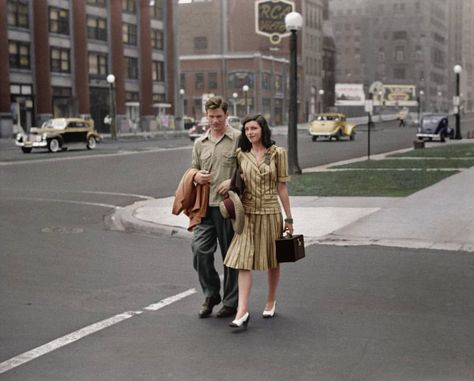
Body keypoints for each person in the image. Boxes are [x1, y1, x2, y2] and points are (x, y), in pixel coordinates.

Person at [223, 114, 294, 329]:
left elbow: (282, 187)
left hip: (271, 213)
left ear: (263, 129)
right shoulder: (240, 155)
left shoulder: (277, 154)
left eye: (254, 128)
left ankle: (271, 300)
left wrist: (289, 218)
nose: (250, 133)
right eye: (246, 130)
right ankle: (242, 310)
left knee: (273, 260)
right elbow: (238, 180)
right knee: (243, 260)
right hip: (248, 214)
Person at [191, 96, 240, 318]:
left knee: (230, 256)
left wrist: (232, 181)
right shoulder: (200, 143)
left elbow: (248, 170)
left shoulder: (238, 139)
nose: (215, 121)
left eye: (219, 117)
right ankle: (211, 294)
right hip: (205, 207)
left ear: (226, 115)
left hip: (228, 207)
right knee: (200, 250)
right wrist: (196, 176)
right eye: (211, 117)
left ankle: (231, 301)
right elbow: (193, 170)